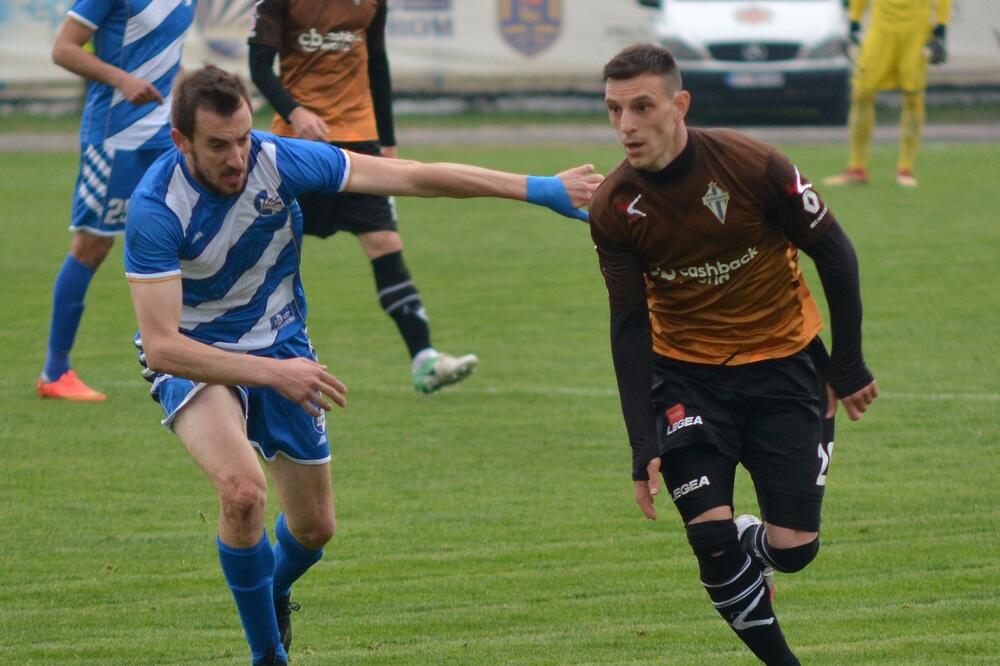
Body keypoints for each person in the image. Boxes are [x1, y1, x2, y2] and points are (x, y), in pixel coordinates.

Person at [124, 65, 600, 665]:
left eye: (243, 138)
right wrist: (275, 375)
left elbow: (414, 176)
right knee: (243, 492)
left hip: (281, 343)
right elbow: (162, 346)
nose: (237, 158)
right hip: (197, 357)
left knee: (314, 529)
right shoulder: (156, 208)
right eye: (218, 145)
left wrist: (539, 188)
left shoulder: (280, 160)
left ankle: (270, 590)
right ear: (181, 141)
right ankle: (268, 655)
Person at [588, 44, 878, 665]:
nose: (626, 125)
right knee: (711, 539)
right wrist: (641, 444)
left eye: (642, 107)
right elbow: (628, 323)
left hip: (785, 366)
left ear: (680, 104)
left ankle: (759, 544)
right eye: (614, 110)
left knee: (795, 549)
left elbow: (836, 253)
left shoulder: (754, 165)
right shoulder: (613, 205)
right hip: (685, 379)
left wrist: (847, 364)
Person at [246, 0, 476, 394]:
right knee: (267, 250)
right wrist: (296, 112)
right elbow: (259, 67)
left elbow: (377, 65)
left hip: (360, 142)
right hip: (298, 146)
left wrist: (387, 140)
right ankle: (238, 349)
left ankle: (425, 358)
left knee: (384, 241)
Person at [37, 0, 196, 400]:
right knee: (92, 247)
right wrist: (121, 79)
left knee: (188, 240)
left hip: (166, 137)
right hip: (114, 138)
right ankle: (55, 372)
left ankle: (191, 360)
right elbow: (64, 49)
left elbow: (165, 55)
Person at [824, 0, 952, 188]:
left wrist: (942, 24)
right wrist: (854, 19)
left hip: (915, 30)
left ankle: (905, 169)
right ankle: (857, 168)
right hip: (881, 28)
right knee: (862, 93)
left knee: (913, 97)